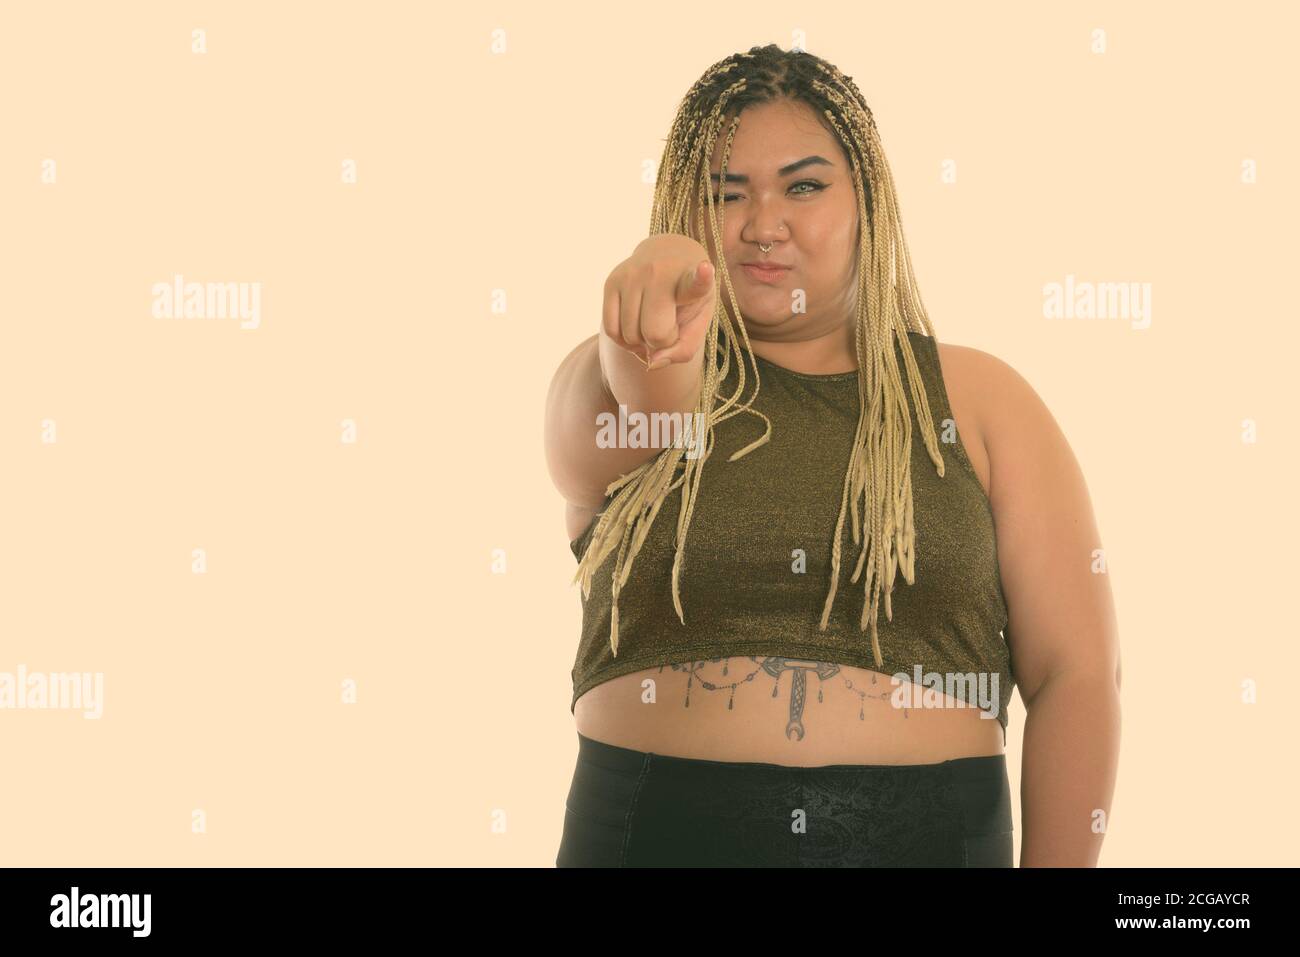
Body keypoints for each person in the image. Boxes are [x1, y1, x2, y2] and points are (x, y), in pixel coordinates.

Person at [543, 44, 1120, 867]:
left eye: (803, 186)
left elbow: (1077, 674)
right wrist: (648, 297)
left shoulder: (982, 400)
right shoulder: (610, 386)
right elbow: (653, 399)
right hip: (648, 835)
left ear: (869, 203)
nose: (761, 223)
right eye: (722, 193)